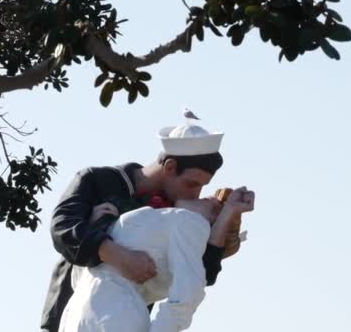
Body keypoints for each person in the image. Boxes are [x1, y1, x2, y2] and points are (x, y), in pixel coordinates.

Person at [41, 118, 254, 331]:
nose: (195, 194)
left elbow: (200, 274)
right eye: (191, 183)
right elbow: (63, 229)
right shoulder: (97, 180)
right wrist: (117, 255)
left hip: (123, 319)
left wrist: (227, 215)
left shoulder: (177, 213)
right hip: (68, 314)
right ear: (170, 167)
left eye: (201, 187)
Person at [58, 188, 253, 332]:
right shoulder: (166, 223)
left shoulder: (192, 223)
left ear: (210, 221)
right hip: (85, 311)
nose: (207, 197)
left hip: (104, 313)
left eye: (213, 205)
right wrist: (96, 230)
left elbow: (187, 294)